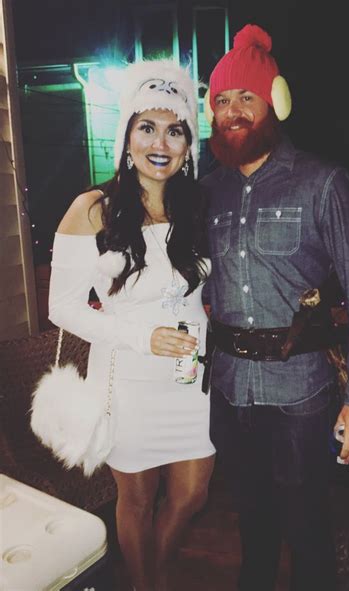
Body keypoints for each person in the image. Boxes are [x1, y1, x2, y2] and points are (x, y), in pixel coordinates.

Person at [201, 24, 349, 591]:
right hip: (232, 392)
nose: (233, 111)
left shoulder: (323, 182)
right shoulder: (209, 190)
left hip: (301, 395)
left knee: (308, 531)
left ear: (272, 102)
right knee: (252, 528)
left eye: (246, 98)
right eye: (222, 100)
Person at [48, 60, 215, 591]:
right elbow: (63, 307)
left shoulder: (199, 207)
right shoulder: (93, 209)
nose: (160, 142)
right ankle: (148, 584)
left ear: (189, 143)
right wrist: (142, 336)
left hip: (191, 384)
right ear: (126, 136)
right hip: (128, 382)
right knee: (137, 500)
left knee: (192, 494)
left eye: (175, 130)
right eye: (147, 127)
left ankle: (151, 573)